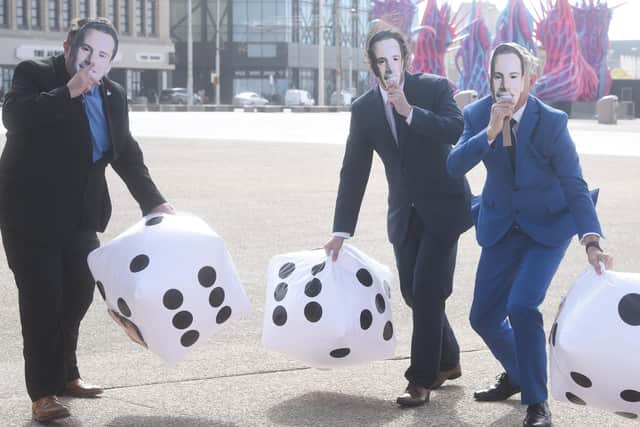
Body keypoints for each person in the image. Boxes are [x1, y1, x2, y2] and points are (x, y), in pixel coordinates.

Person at [0, 17, 174, 422]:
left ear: (111, 61)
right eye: (86, 50)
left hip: (80, 215)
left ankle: (66, 375)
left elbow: (125, 151)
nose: (93, 60)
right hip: (29, 214)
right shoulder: (35, 75)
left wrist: (154, 202)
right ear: (68, 47)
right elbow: (15, 118)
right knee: (43, 300)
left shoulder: (112, 94)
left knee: (77, 294)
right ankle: (43, 392)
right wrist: (68, 92)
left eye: (103, 55)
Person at [447, 42, 613, 427]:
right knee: (483, 317)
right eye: (498, 76)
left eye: (513, 76)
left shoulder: (551, 121)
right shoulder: (476, 115)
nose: (505, 85)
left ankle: (538, 403)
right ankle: (520, 373)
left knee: (522, 305)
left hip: (546, 227)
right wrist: (488, 132)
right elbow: (454, 165)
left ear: (529, 80)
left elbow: (573, 182)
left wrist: (591, 239)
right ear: (489, 79)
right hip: (502, 225)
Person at [323, 26, 472, 407]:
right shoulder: (364, 109)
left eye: (394, 58)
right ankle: (449, 359)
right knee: (413, 293)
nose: (389, 67)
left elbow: (455, 129)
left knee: (426, 290)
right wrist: (341, 230)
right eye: (380, 61)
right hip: (403, 215)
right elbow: (353, 170)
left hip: (443, 208)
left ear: (405, 59)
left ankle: (420, 381)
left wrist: (410, 112)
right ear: (371, 65)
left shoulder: (435, 88)